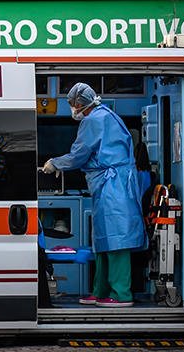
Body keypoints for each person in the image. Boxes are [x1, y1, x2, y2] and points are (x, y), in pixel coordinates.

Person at [42, 83, 146, 308]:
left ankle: (121, 294)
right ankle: (101, 292)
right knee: (103, 241)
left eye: (72, 103)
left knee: (116, 240)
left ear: (80, 103)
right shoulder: (107, 115)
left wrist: (55, 163)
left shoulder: (93, 120)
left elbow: (80, 153)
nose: (72, 108)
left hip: (113, 186)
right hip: (110, 185)